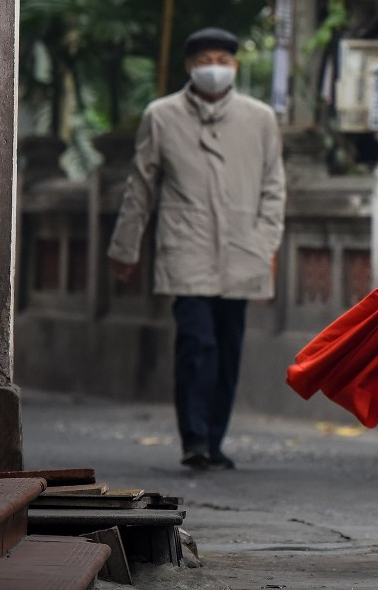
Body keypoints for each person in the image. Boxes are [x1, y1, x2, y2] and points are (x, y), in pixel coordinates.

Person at [109, 26, 285, 471]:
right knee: (196, 342)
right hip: (186, 245)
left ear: (236, 67)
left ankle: (215, 439)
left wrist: (265, 244)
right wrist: (125, 249)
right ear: (190, 66)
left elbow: (274, 188)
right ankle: (195, 438)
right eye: (206, 60)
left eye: (223, 62)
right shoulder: (161, 116)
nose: (215, 69)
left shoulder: (260, 118)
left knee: (228, 348)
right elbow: (140, 188)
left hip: (243, 247)